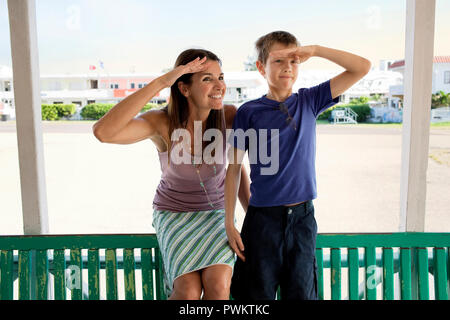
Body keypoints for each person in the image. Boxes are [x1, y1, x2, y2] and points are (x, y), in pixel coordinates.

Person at [93, 48, 250, 300]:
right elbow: (104, 132)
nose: (219, 85)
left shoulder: (228, 116)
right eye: (207, 79)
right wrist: (162, 82)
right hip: (174, 215)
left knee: (219, 284)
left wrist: (253, 220)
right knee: (187, 291)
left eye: (221, 77)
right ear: (184, 88)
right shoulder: (162, 123)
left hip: (216, 216)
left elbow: (236, 168)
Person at [225, 31, 371, 300]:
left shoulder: (309, 100)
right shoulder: (249, 112)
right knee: (256, 296)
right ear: (261, 67)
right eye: (279, 61)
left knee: (302, 294)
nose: (288, 68)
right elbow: (233, 169)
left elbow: (362, 67)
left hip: (302, 219)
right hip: (262, 221)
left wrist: (315, 49)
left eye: (294, 61)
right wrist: (229, 221)